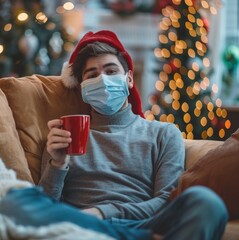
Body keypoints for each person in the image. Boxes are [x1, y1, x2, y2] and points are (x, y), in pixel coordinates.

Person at [37, 30, 228, 239]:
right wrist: (58, 164)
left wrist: (104, 212)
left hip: (141, 226)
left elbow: (166, 200)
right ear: (82, 88)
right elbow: (42, 211)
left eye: (111, 72)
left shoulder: (163, 134)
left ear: (128, 79)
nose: (103, 80)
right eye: (92, 75)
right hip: (83, 228)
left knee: (207, 202)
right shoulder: (63, 136)